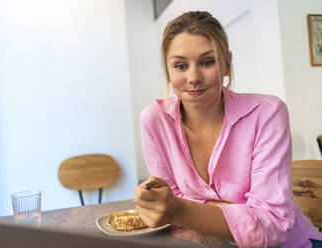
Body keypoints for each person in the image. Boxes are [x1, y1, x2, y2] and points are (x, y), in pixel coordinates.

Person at [134, 11, 322, 248]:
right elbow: (167, 205)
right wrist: (241, 213)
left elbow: (273, 225)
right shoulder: (154, 120)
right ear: (168, 71)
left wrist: (180, 209)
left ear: (226, 62)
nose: (193, 77)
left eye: (207, 62)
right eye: (180, 66)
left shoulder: (268, 113)